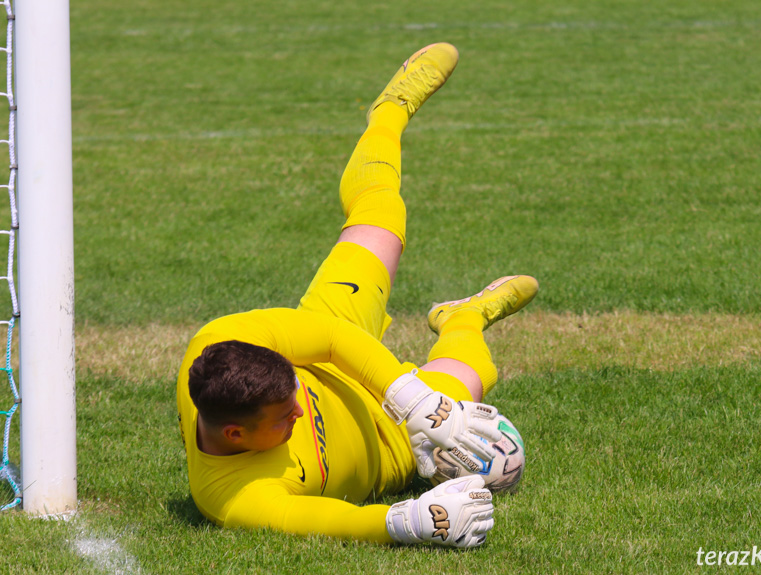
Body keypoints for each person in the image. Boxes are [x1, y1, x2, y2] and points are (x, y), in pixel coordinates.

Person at [176, 42, 539, 548]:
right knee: (471, 376)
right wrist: (415, 520)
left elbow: (327, 337)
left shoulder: (221, 341)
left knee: (381, 219)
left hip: (334, 345)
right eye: (285, 416)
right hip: (386, 444)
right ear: (236, 435)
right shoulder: (233, 496)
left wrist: (413, 399)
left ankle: (389, 112)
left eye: (292, 398)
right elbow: (328, 523)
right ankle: (464, 318)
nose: (299, 411)